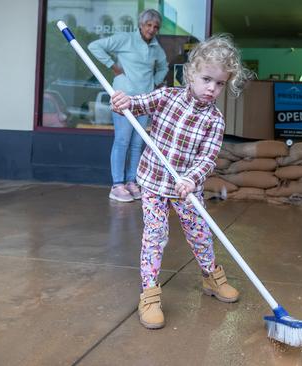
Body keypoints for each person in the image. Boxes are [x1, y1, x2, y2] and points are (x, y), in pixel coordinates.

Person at [110, 34, 251, 329]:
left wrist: (191, 179)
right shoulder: (167, 97)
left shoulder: (215, 120)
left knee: (201, 233)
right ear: (191, 73)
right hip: (153, 182)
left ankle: (212, 277)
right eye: (206, 79)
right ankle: (149, 294)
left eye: (220, 83)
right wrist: (123, 101)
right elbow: (137, 104)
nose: (212, 88)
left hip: (186, 189)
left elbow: (208, 158)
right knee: (155, 236)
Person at [88, 9, 168, 202]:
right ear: (141, 25)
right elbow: (94, 46)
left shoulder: (156, 47)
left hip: (144, 101)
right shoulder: (125, 39)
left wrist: (156, 82)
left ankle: (132, 182)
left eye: (155, 27)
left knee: (137, 144)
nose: (152, 29)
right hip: (123, 98)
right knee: (122, 141)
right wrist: (114, 68)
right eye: (149, 25)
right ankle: (117, 185)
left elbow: (164, 66)